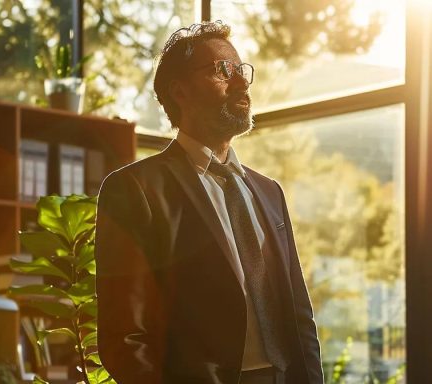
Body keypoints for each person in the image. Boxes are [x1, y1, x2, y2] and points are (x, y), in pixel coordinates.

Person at [95, 21, 323, 384]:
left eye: (241, 70)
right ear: (180, 91)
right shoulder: (135, 189)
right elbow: (124, 335)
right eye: (222, 70)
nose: (241, 82)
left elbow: (299, 315)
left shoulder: (268, 192)